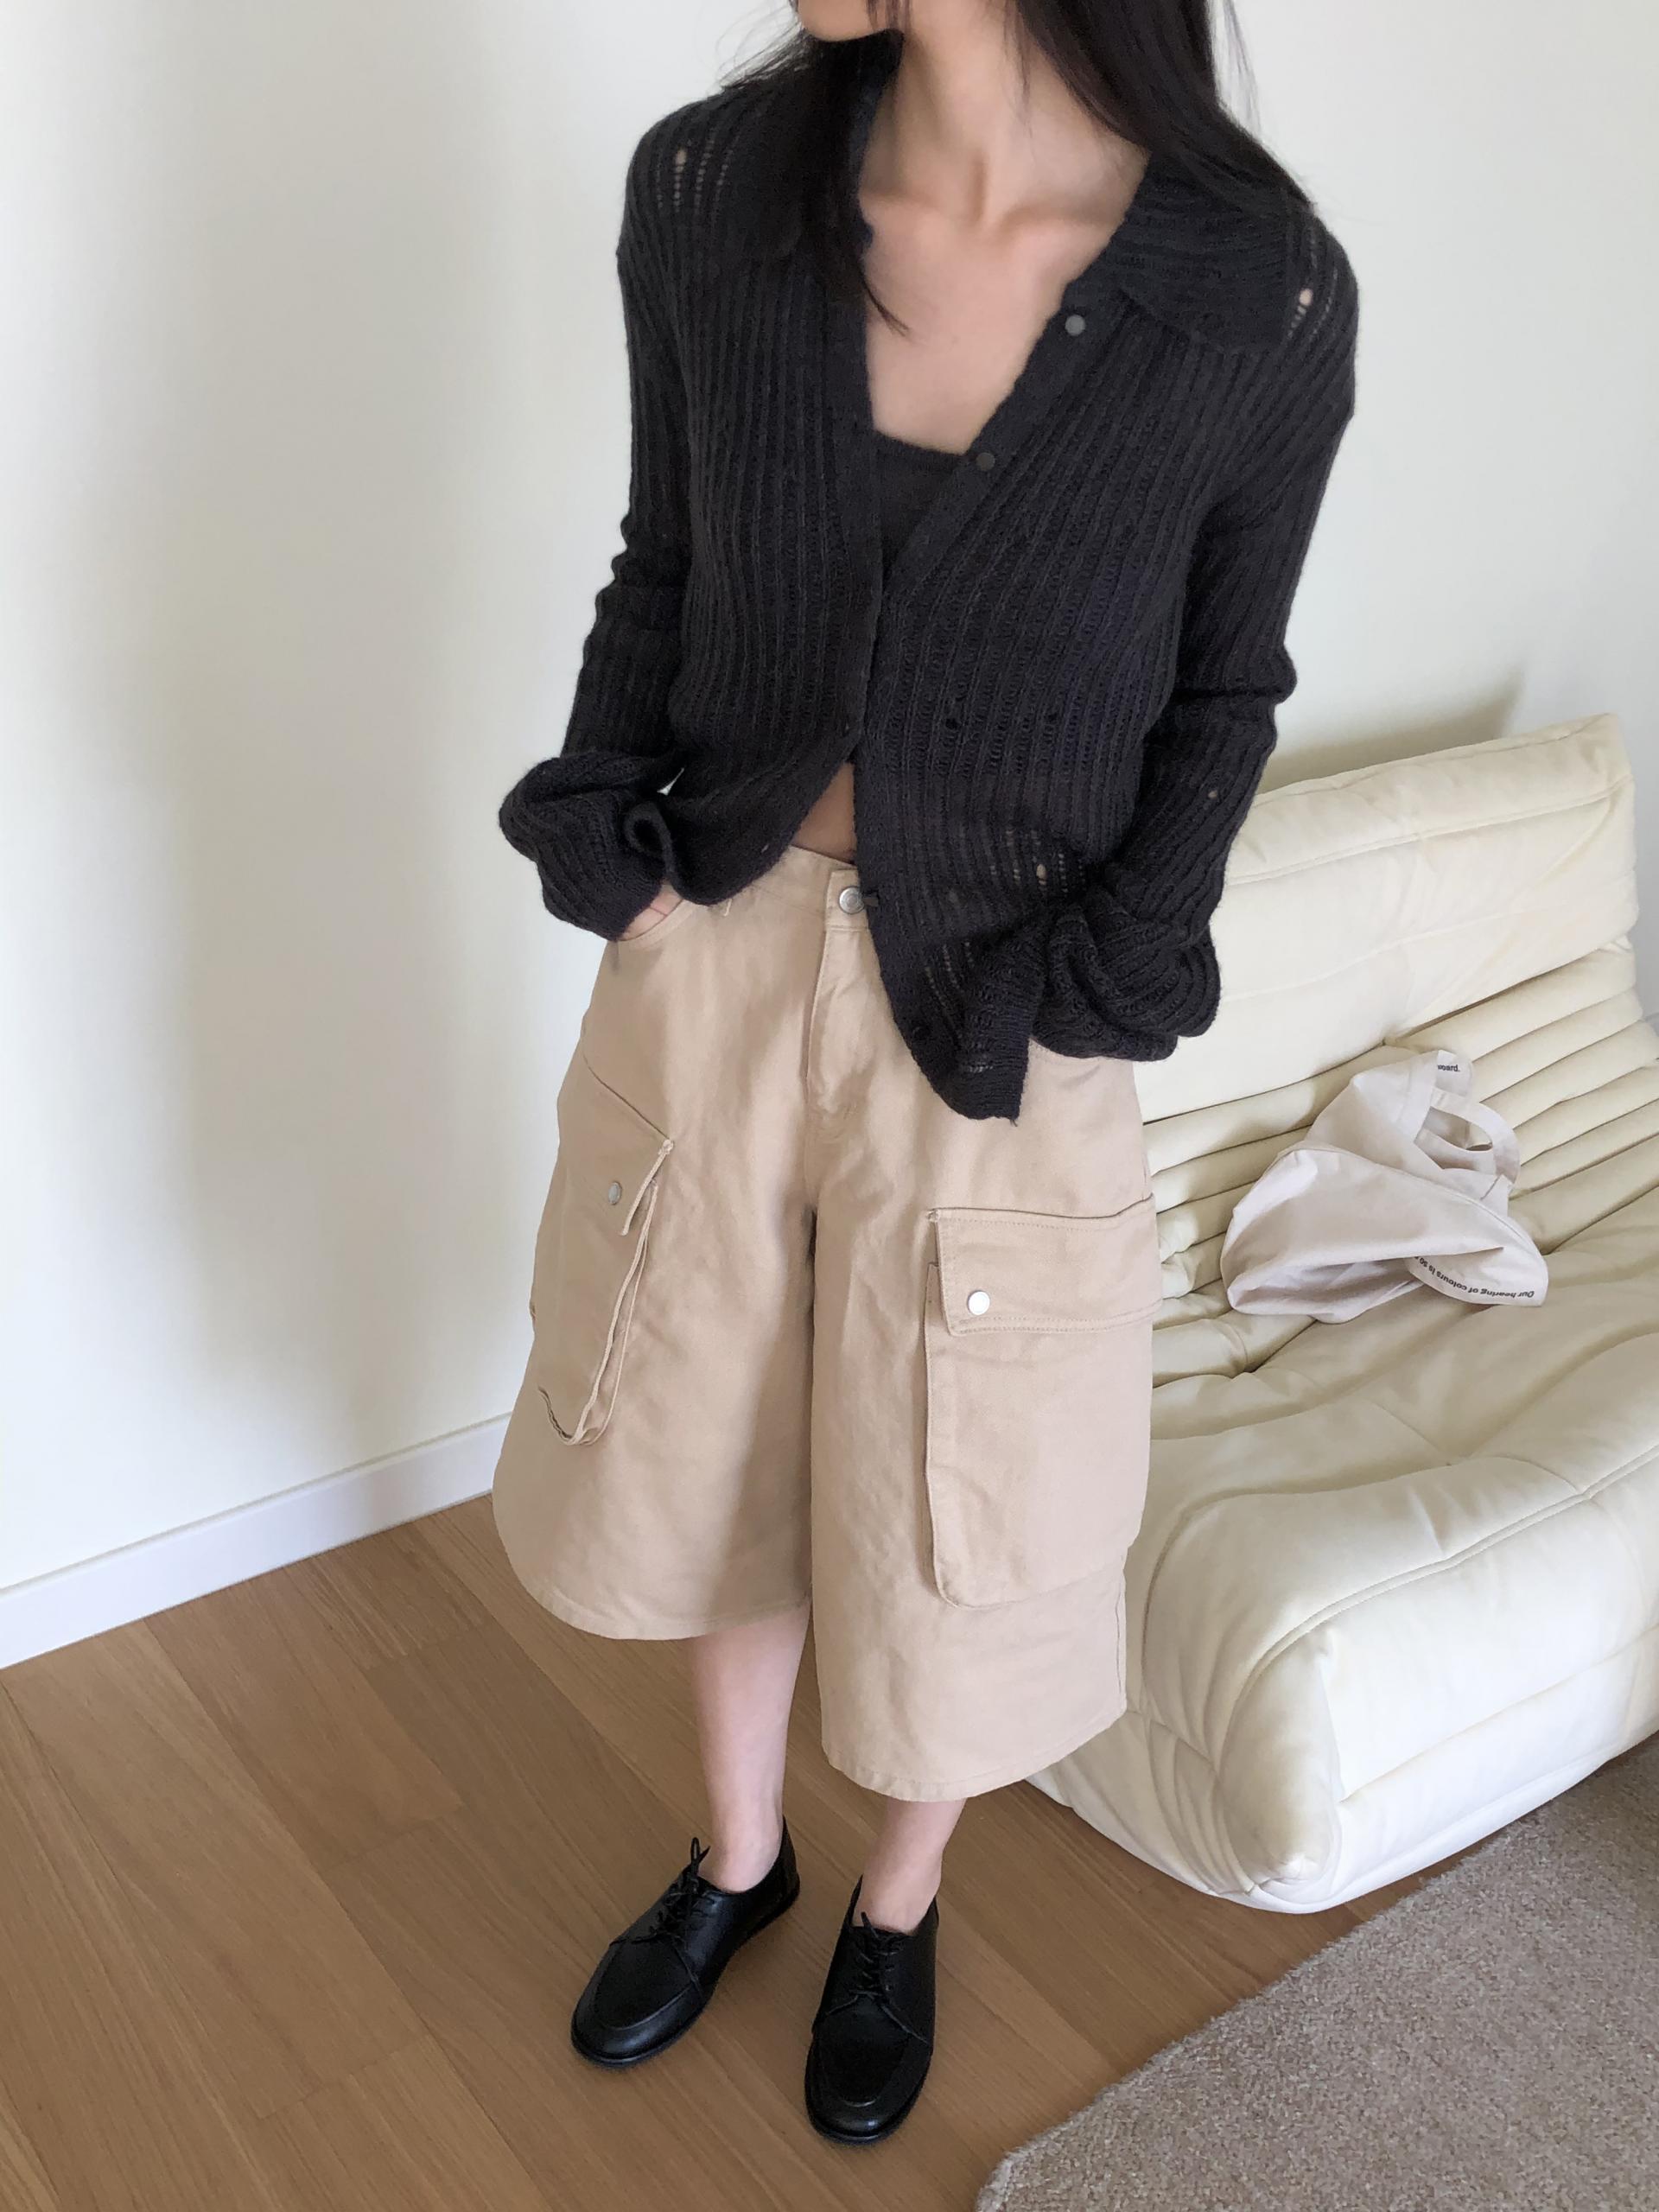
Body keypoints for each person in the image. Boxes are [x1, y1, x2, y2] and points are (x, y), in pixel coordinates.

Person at [493, 0, 1358, 2148]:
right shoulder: (714, 194)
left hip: (1006, 1008)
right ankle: (737, 1857)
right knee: (707, 1436)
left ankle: (897, 1902)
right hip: (716, 946)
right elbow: (665, 556)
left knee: (958, 1491)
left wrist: (1111, 971)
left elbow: (1224, 691)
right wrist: (618, 858)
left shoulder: (1255, 287)